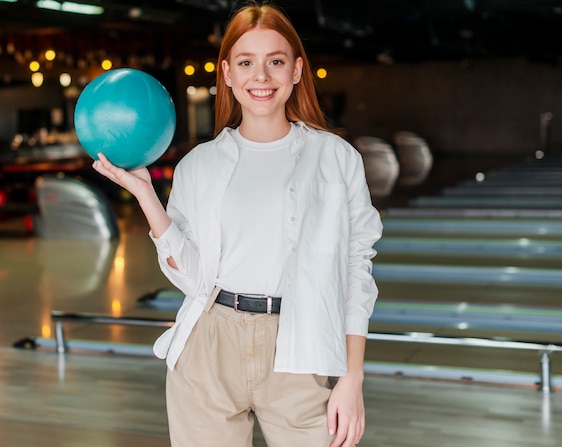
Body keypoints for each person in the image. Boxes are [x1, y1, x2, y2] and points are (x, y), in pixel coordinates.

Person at [92, 2, 383, 446]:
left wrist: (352, 377)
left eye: (276, 62)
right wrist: (147, 197)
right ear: (227, 74)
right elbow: (192, 278)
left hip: (298, 343)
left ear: (297, 71)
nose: (261, 77)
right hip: (209, 343)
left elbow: (356, 270)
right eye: (246, 63)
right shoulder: (198, 165)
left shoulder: (336, 158)